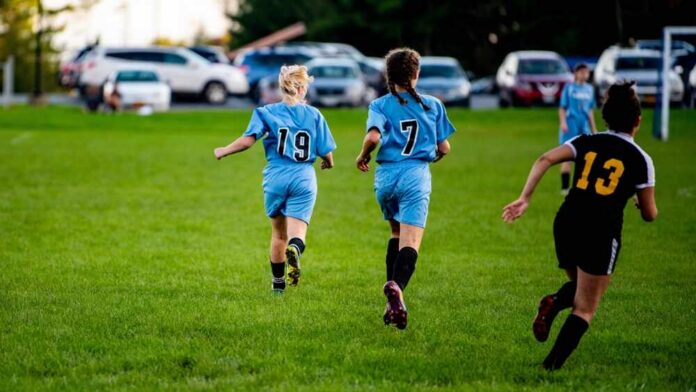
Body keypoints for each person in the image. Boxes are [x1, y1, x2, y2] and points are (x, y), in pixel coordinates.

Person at [502, 81, 657, 370]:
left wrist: (525, 198)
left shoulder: (587, 140)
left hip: (567, 221)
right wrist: (639, 203)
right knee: (586, 306)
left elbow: (545, 159)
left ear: (604, 117)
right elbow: (650, 214)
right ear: (638, 120)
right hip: (601, 230)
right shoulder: (641, 159)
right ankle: (550, 367)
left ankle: (554, 302)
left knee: (579, 287)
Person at [356, 48, 455, 330]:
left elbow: (373, 137)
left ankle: (392, 301)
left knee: (395, 233)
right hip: (415, 177)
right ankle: (396, 288)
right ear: (416, 74)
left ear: (389, 76)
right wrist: (439, 154)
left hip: (386, 178)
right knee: (410, 242)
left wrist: (362, 155)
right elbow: (444, 146)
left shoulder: (380, 105)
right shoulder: (433, 105)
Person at [214, 65, 336, 294]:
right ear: (301, 88)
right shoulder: (314, 114)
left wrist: (224, 150)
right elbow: (325, 149)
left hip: (276, 176)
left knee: (278, 234)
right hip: (303, 176)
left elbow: (248, 140)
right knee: (297, 232)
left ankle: (278, 285)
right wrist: (328, 161)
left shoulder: (266, 112)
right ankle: (295, 249)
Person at [558, 63, 597, 195]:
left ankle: (581, 185)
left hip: (584, 125)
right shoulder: (569, 88)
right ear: (576, 73)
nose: (585, 74)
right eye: (582, 72)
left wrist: (594, 128)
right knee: (567, 156)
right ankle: (564, 187)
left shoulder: (590, 89)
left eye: (587, 72)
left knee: (587, 156)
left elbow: (590, 110)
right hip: (571, 124)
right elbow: (562, 107)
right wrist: (563, 122)